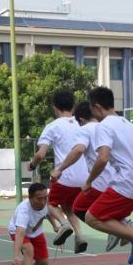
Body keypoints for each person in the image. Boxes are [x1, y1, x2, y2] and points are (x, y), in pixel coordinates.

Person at [83, 86, 133, 265]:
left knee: (91, 217)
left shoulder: (104, 126)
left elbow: (102, 158)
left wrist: (89, 181)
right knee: (111, 217)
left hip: (127, 184)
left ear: (97, 108)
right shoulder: (130, 125)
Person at [50, 101, 133, 252]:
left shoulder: (85, 129)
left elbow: (78, 150)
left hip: (99, 181)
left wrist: (60, 169)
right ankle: (124, 222)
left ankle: (118, 229)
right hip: (117, 180)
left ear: (81, 120)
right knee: (100, 207)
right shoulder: (106, 127)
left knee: (79, 208)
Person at [30, 90, 89, 251]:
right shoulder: (82, 123)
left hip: (64, 176)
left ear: (55, 108)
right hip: (84, 178)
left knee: (48, 204)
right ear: (73, 107)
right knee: (69, 208)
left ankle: (64, 224)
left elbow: (40, 154)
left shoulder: (52, 126)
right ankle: (80, 236)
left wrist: (32, 165)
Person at [9, 182, 53, 265]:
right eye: (39, 198)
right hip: (18, 231)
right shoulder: (24, 210)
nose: (43, 201)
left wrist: (55, 225)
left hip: (36, 231)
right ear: (30, 198)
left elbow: (47, 213)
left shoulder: (45, 202)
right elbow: (20, 233)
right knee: (28, 249)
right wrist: (16, 255)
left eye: (45, 197)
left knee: (43, 262)